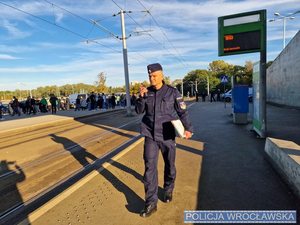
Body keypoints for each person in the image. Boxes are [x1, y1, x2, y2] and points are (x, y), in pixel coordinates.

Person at [135, 63, 193, 218]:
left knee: (169, 164)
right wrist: (141, 97)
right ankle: (151, 203)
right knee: (149, 168)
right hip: (150, 135)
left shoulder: (172, 92)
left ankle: (168, 189)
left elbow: (182, 111)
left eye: (154, 75)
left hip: (167, 134)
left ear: (161, 75)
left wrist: (188, 128)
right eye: (149, 76)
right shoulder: (146, 92)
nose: (151, 78)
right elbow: (139, 111)